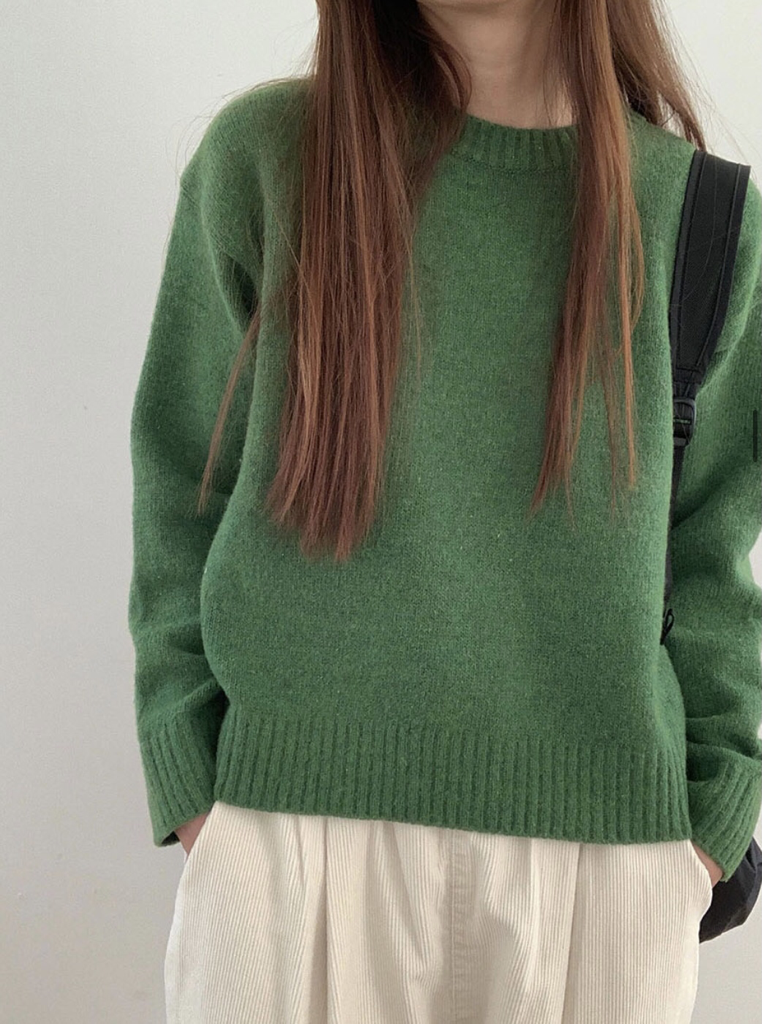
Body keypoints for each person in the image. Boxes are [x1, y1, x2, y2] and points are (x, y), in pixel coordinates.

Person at [127, 0, 762, 1021]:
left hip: (608, 867)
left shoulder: (702, 219)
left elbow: (714, 549)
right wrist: (193, 779)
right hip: (285, 845)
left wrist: (712, 820)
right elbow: (178, 485)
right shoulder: (266, 161)